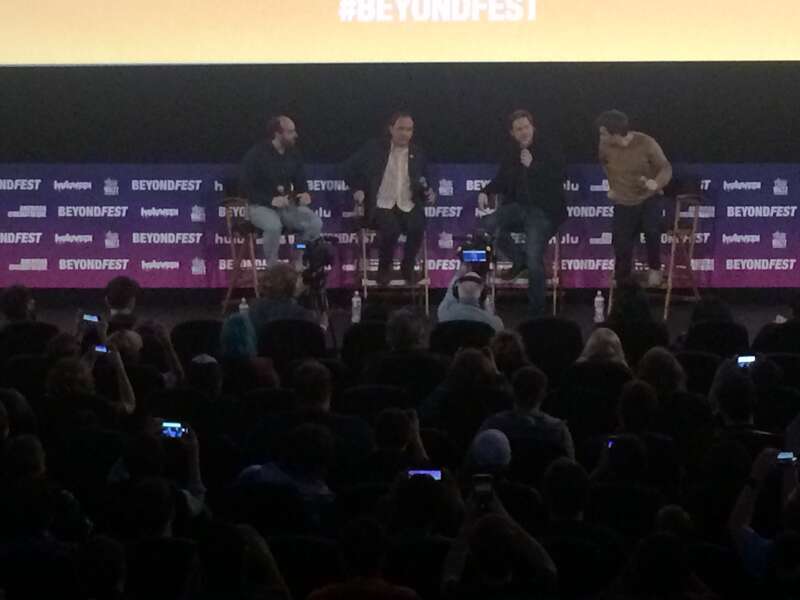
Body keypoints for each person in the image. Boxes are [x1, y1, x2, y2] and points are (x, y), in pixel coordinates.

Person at [477, 109, 566, 316]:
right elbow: (501, 180)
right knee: (488, 225)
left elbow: (560, 175)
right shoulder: (511, 153)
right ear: (513, 133)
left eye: (526, 127)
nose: (524, 132)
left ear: (532, 127)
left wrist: (533, 165)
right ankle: (518, 259)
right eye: (519, 129)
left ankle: (536, 312)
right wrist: (485, 190)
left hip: (544, 211)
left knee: (535, 257)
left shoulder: (549, 147)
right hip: (519, 208)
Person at [343, 111, 436, 285]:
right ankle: (383, 269)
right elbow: (347, 169)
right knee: (391, 230)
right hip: (380, 203)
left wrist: (429, 192)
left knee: (418, 225)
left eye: (409, 130)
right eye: (401, 129)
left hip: (406, 203)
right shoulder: (374, 148)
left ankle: (407, 266)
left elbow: (424, 181)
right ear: (391, 129)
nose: (405, 134)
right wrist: (357, 189)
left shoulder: (417, 153)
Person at [596, 109, 672, 287]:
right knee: (621, 241)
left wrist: (656, 183)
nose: (601, 137)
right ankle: (623, 281)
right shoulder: (604, 147)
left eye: (603, 133)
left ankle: (655, 268)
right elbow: (605, 164)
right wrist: (613, 186)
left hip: (648, 197)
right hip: (623, 201)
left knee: (651, 230)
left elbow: (665, 167)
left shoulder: (645, 142)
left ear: (614, 132)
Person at [239, 115, 323, 266]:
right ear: (278, 134)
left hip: (286, 206)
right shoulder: (256, 154)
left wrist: (304, 194)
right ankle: (272, 270)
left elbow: (301, 182)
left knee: (314, 223)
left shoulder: (294, 154)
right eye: (291, 132)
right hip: (259, 206)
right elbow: (245, 187)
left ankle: (298, 258)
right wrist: (270, 200)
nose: (295, 135)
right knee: (273, 226)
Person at [480, 365, 575, 459]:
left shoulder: (493, 426)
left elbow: (475, 462)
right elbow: (567, 469)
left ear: (512, 391)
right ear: (543, 394)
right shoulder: (558, 431)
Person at [248, 262, 318, 334]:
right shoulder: (302, 314)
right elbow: (313, 340)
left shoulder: (254, 308)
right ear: (291, 284)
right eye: (297, 280)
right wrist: (323, 326)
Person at [437, 269, 504, 332]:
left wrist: (457, 275)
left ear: (456, 292)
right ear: (483, 295)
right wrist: (489, 309)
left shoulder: (444, 313)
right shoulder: (495, 323)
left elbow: (449, 294)